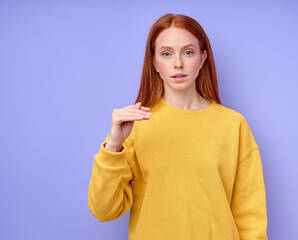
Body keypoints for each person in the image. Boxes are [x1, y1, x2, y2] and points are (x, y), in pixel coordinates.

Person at [88, 13, 268, 240]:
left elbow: (250, 216)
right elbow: (104, 211)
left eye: (188, 52)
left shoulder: (233, 125)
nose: (178, 64)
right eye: (166, 54)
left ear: (203, 58)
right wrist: (113, 145)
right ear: (153, 62)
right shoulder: (135, 126)